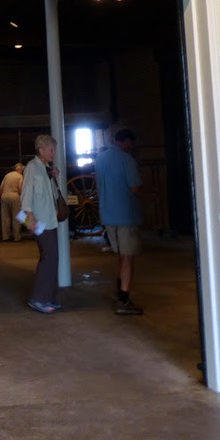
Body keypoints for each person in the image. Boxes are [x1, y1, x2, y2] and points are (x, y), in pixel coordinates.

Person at [94, 127, 145, 316]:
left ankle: (119, 293)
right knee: (128, 258)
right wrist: (151, 193)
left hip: (107, 214)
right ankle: (124, 299)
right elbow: (135, 188)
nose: (132, 147)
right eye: (131, 144)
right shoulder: (127, 159)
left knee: (121, 257)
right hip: (125, 215)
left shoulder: (99, 159)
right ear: (127, 142)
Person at [20, 134, 63, 314]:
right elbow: (26, 193)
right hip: (39, 220)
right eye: (51, 149)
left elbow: (52, 196)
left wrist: (54, 177)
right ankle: (38, 299)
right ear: (41, 150)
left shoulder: (46, 168)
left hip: (49, 219)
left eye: (54, 149)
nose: (54, 152)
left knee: (51, 258)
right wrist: (30, 217)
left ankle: (48, 298)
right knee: (50, 258)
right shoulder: (32, 167)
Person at [0, 163, 25, 241]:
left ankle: (5, 237)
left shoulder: (7, 175)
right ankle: (17, 237)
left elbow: (1, 187)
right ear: (20, 170)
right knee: (16, 217)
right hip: (14, 196)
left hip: (4, 196)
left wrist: (1, 196)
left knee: (5, 217)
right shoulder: (20, 177)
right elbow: (21, 188)